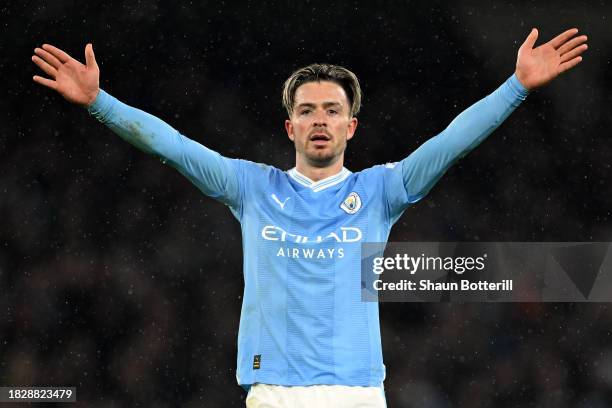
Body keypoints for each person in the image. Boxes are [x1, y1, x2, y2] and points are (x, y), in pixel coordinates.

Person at [31, 27, 587, 407]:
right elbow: (173, 146)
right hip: (273, 392)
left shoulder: (381, 191)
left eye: (333, 110)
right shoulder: (250, 187)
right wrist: (101, 103)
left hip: (357, 394)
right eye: (306, 111)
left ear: (351, 127)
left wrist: (516, 89)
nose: (319, 119)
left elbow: (450, 142)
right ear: (290, 128)